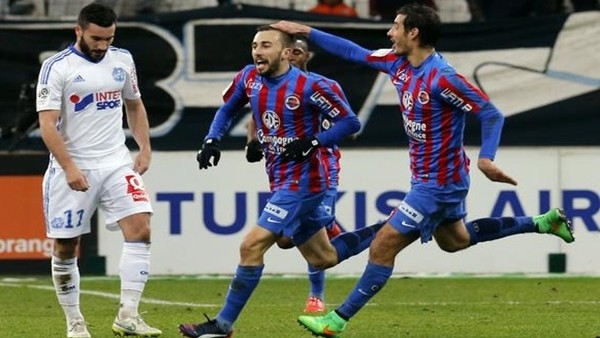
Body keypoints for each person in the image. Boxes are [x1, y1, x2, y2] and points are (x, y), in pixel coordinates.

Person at [272, 4, 575, 337]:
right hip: (432, 178)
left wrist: (487, 158)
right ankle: (542, 222)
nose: (390, 32)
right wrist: (308, 32)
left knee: (383, 245)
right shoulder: (397, 63)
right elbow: (354, 53)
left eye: (396, 26)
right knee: (456, 241)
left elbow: (490, 114)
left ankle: (336, 321)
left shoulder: (443, 78)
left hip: (439, 183)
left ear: (413, 33)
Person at [178, 25, 384, 338]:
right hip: (280, 178)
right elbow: (229, 108)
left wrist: (313, 141)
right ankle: (390, 229)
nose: (258, 52)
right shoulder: (249, 78)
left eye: (266, 45)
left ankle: (222, 325)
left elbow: (350, 122)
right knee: (323, 257)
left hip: (306, 182)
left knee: (251, 245)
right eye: (255, 45)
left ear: (286, 52)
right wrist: (211, 140)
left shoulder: (312, 86)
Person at [36, 3, 161, 338]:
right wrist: (69, 167)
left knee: (141, 227)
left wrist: (145, 147)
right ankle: (75, 323)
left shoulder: (123, 59)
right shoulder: (56, 67)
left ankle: (128, 315)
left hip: (116, 162)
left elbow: (134, 104)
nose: (103, 45)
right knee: (66, 247)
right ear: (78, 31)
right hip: (73, 166)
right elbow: (47, 125)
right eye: (96, 38)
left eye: (109, 38)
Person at [244, 36, 346, 313]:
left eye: (298, 52)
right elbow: (257, 115)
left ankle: (316, 296)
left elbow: (349, 123)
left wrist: (317, 140)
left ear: (305, 56)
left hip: (324, 168)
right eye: (290, 51)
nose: (293, 56)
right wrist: (253, 141)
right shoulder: (268, 87)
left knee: (297, 236)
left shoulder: (324, 87)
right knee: (286, 240)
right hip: (288, 170)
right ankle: (345, 231)